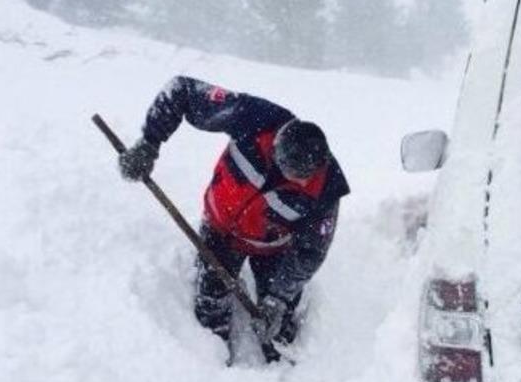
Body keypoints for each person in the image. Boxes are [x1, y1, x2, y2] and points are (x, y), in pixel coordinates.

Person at [118, 75, 349, 361]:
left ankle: (287, 370)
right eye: (285, 169)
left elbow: (311, 251)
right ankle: (211, 367)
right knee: (210, 311)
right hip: (220, 231)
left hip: (274, 248)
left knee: (277, 324)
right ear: (276, 147)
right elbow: (181, 91)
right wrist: (149, 144)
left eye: (299, 177)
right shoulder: (253, 117)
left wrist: (278, 297)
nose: (291, 180)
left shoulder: (327, 187)